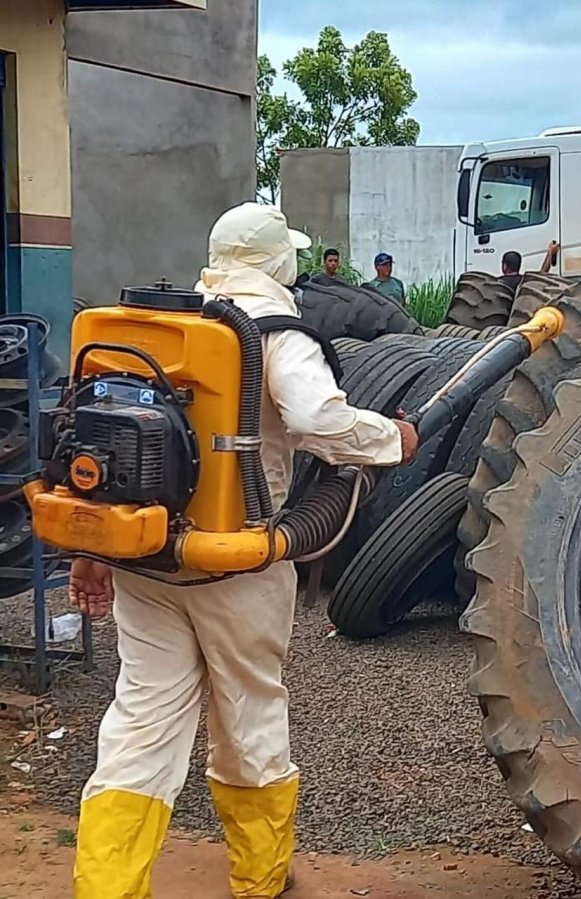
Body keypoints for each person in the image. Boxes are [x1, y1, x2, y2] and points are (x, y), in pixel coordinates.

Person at [69, 203, 419, 899]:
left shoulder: (164, 327)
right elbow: (319, 419)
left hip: (148, 558)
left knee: (140, 722)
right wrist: (392, 440)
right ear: (280, 263)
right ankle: (260, 881)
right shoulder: (275, 334)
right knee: (249, 717)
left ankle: (104, 885)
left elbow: (102, 447)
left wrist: (93, 550)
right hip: (239, 562)